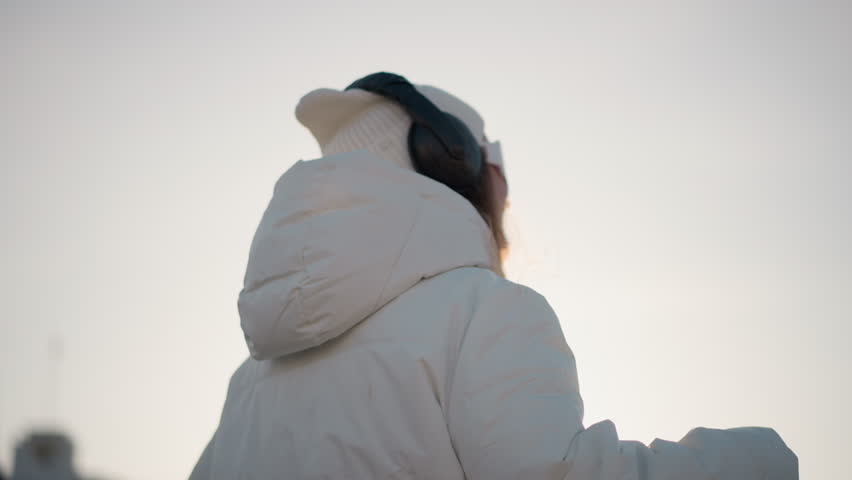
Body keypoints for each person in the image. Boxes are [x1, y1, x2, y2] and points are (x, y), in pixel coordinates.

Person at [189, 72, 797, 479]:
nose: (503, 201)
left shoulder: (250, 382)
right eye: (494, 169)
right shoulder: (480, 311)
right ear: (450, 161)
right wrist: (755, 461)